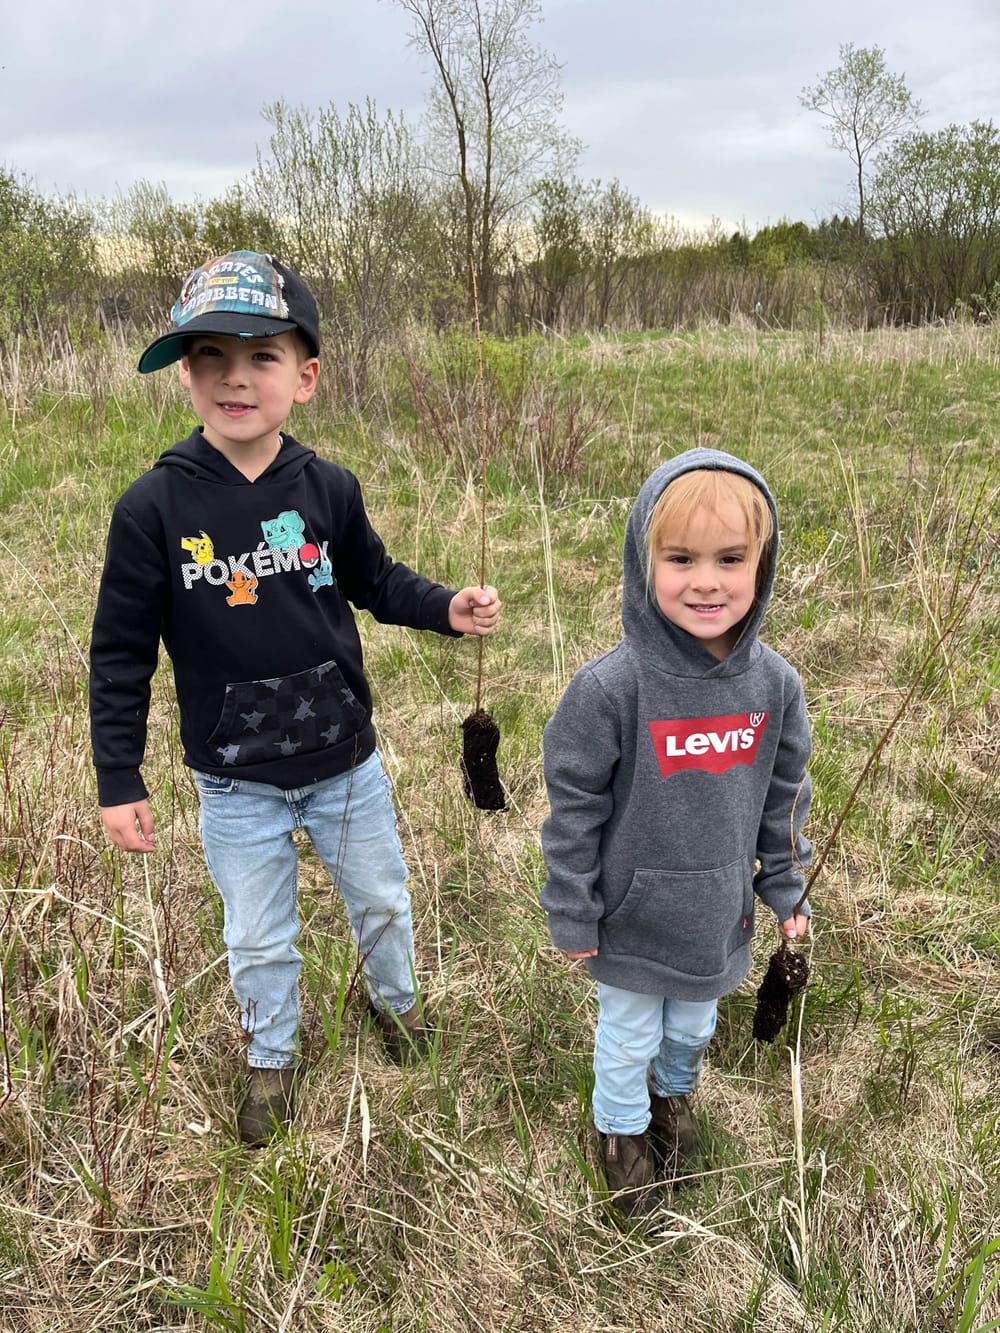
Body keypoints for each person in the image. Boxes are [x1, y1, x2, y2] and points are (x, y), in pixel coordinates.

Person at [89, 250, 501, 1146]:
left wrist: (447, 609)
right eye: (210, 358)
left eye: (261, 357)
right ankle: (271, 1057)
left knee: (384, 900)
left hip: (346, 765)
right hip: (235, 783)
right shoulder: (151, 509)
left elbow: (376, 582)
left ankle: (398, 1010)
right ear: (186, 375)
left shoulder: (327, 488)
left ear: (305, 377)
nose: (235, 377)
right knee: (260, 936)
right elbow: (119, 654)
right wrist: (118, 777)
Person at [540, 447, 811, 1218]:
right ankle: (621, 1131)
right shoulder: (610, 688)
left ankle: (673, 1100)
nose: (706, 580)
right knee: (627, 1033)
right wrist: (573, 907)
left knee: (693, 1025)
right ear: (642, 559)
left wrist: (786, 888)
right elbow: (574, 809)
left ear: (762, 563)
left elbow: (784, 801)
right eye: (681, 557)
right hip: (630, 917)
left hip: (718, 914)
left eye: (731, 558)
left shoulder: (775, 687)